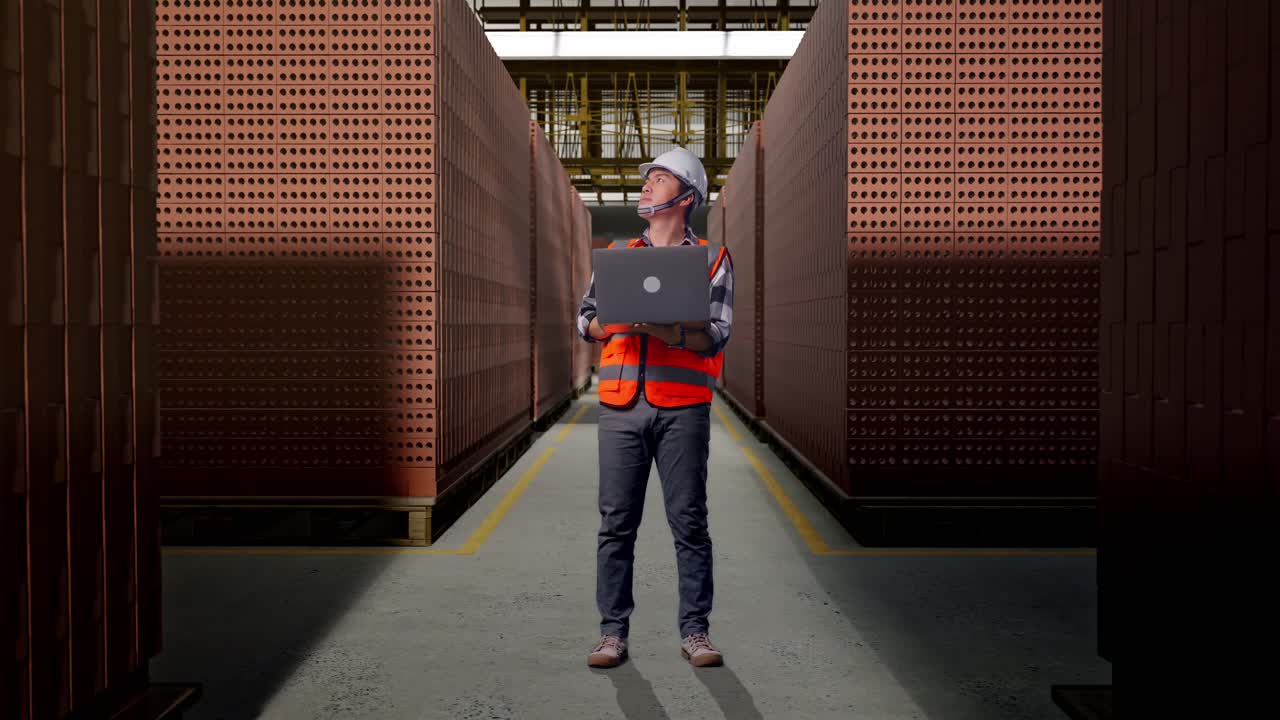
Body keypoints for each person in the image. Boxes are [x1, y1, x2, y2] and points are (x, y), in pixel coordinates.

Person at [575, 146, 734, 669]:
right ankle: (612, 634)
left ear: (686, 196)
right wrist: (618, 322)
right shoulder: (619, 254)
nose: (646, 185)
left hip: (682, 407)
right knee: (616, 523)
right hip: (621, 407)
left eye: (659, 178)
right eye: (647, 179)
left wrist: (669, 330)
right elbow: (586, 321)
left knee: (688, 520)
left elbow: (716, 334)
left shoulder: (711, 258)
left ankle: (696, 632)